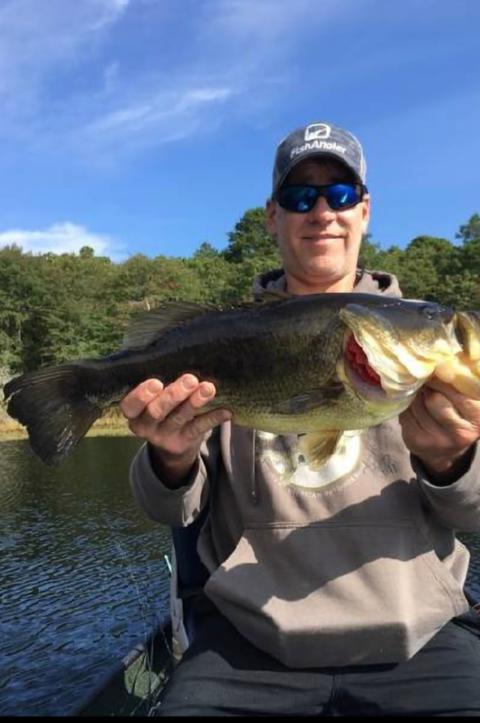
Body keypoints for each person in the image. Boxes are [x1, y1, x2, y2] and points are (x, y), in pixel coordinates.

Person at [120, 121, 480, 716]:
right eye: (299, 196)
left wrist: (452, 461)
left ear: (364, 211)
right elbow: (166, 508)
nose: (322, 212)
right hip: (248, 641)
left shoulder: (430, 358)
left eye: (340, 194)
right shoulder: (227, 336)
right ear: (273, 216)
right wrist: (169, 456)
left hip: (418, 639)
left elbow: (472, 512)